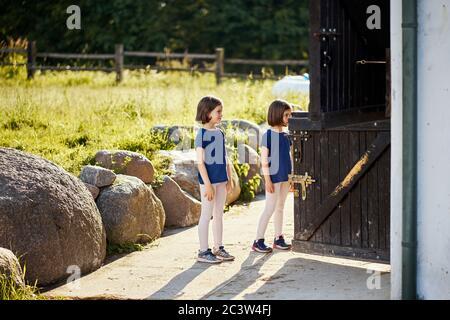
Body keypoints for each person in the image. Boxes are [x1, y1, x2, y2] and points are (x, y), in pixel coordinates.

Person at [194, 95, 235, 263]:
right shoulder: (201, 134)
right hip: (208, 183)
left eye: (221, 111)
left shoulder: (220, 133)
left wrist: (230, 177)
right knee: (206, 214)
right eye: (218, 111)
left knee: (219, 214)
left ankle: (219, 247)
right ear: (207, 112)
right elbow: (200, 162)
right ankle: (203, 251)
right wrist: (208, 185)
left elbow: (225, 157)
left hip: (221, 180)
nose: (221, 115)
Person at [252, 99, 293, 253]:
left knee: (280, 207)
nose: (289, 118)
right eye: (286, 115)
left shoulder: (287, 135)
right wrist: (267, 180)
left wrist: (291, 177)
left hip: (285, 177)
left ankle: (278, 238)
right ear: (277, 115)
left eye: (290, 115)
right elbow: (264, 160)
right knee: (269, 208)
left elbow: (289, 157)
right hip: (273, 178)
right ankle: (258, 240)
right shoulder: (267, 135)